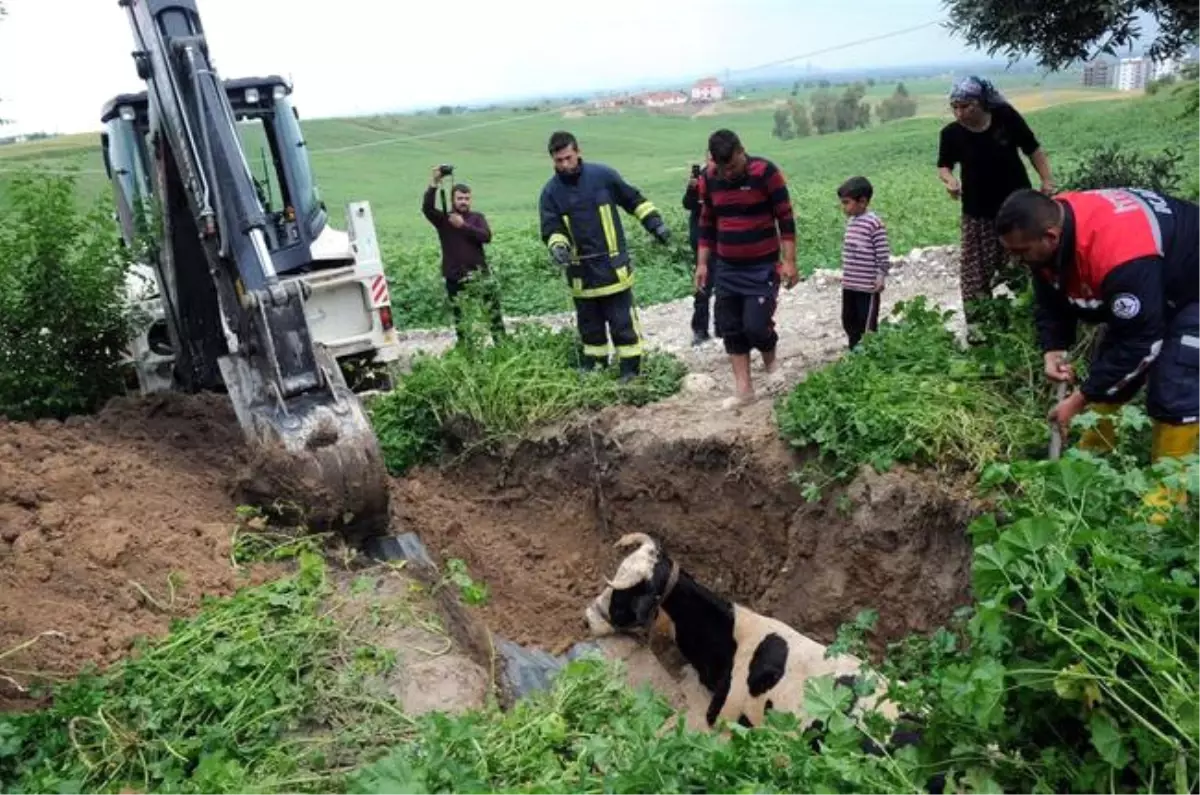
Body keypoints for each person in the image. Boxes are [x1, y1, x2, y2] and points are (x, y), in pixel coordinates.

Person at [994, 186, 1200, 522]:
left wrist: (1078, 400)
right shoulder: (1052, 230)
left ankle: (1168, 498)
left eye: (1021, 252)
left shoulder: (1119, 253)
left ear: (1050, 236)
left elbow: (1141, 343)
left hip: (1193, 286)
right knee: (1111, 362)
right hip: (1158, 279)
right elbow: (1050, 294)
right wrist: (1053, 347)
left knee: (1175, 382)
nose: (1017, 260)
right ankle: (1093, 454)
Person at [538, 130, 670, 382]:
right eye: (559, 161)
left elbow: (634, 200)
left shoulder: (603, 176)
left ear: (578, 152)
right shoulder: (550, 193)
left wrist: (655, 224)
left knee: (622, 323)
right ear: (552, 160)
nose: (565, 165)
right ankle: (595, 369)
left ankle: (631, 369)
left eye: (568, 158)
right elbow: (551, 228)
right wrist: (558, 247)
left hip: (613, 269)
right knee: (590, 328)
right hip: (581, 275)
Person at [936, 75, 1055, 341]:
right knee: (974, 275)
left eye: (966, 106)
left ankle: (1035, 323)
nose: (960, 112)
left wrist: (1047, 180)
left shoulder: (1005, 118)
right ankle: (980, 334)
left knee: (1028, 266)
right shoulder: (951, 134)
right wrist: (950, 181)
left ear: (982, 103)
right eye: (955, 106)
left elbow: (1032, 149)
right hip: (977, 213)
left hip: (1018, 210)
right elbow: (943, 165)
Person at [695, 128, 799, 409]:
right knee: (730, 328)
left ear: (742, 151)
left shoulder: (765, 172)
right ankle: (744, 390)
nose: (728, 173)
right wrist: (702, 264)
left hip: (762, 266)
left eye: (732, 166)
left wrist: (789, 261)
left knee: (755, 325)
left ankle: (772, 364)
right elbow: (706, 224)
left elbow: (786, 219)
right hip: (726, 267)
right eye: (722, 168)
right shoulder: (708, 178)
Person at [422, 167, 506, 344]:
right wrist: (435, 182)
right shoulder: (444, 219)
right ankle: (467, 352)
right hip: (455, 276)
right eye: (460, 198)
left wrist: (463, 226)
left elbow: (486, 237)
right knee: (461, 319)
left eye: (467, 198)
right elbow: (427, 208)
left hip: (479, 275)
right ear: (452, 199)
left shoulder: (477, 218)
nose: (463, 202)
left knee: (493, 314)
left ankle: (502, 346)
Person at [836, 176, 891, 350]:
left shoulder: (874, 223)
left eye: (846, 203)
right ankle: (854, 349)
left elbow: (883, 253)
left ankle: (868, 352)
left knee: (866, 322)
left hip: (867, 286)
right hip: (850, 284)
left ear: (863, 201)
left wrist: (880, 276)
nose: (844, 207)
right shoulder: (852, 222)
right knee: (848, 319)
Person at [682, 154, 716, 346]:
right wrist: (692, 188)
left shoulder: (727, 178)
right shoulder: (701, 178)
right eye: (709, 158)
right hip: (702, 241)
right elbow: (687, 204)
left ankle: (723, 328)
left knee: (725, 286)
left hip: (723, 240)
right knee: (703, 286)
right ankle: (700, 330)